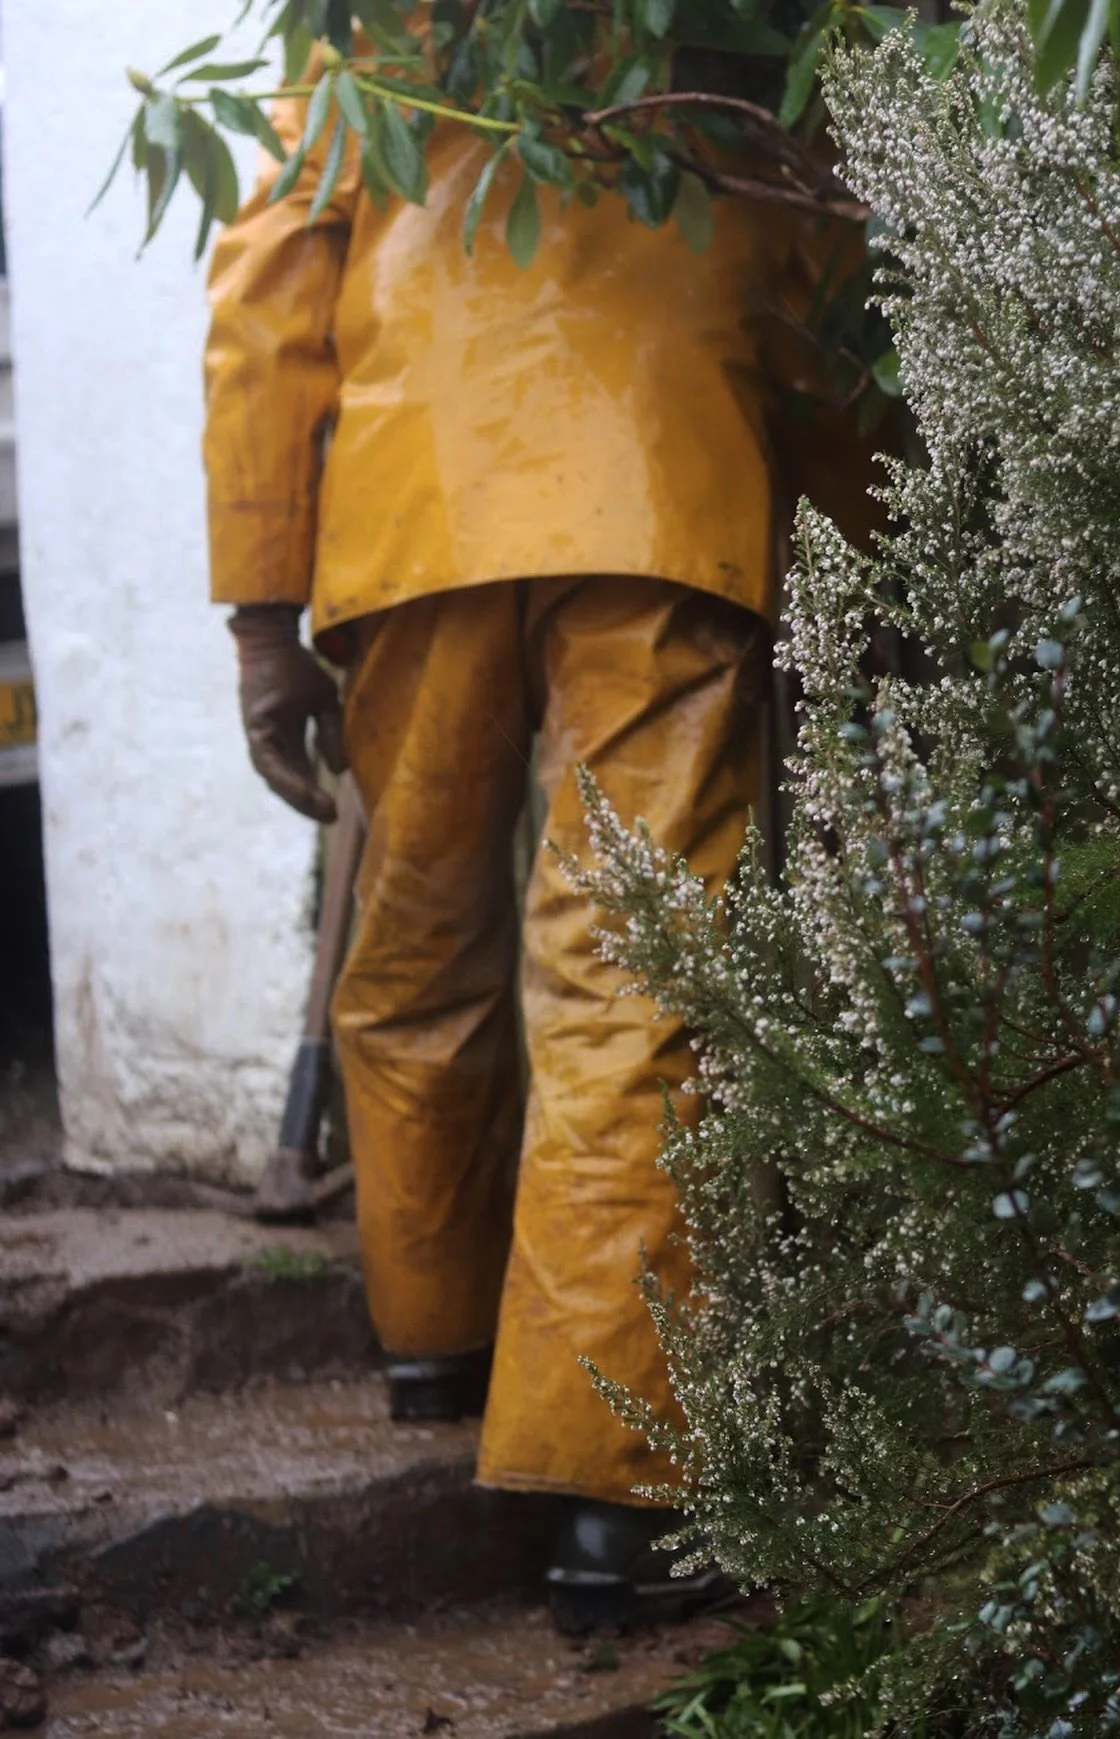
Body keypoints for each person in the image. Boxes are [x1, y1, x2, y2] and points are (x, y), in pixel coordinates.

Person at [204, 71, 880, 1632]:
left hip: (414, 506)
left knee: (417, 937)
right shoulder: (731, 35)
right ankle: (604, 1498)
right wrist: (860, 534)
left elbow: (268, 284)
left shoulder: (371, 40)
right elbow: (823, 282)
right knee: (634, 984)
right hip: (666, 488)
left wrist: (260, 611)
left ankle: (434, 1349)